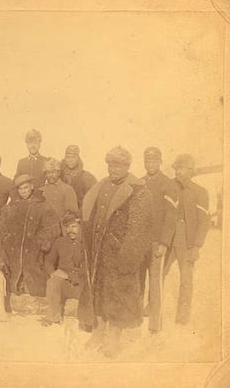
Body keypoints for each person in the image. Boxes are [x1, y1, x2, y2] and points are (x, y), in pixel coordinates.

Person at [78, 146, 152, 358]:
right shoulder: (101, 187)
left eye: (118, 165)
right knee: (98, 291)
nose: (114, 169)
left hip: (120, 254)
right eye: (111, 164)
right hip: (99, 253)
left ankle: (114, 336)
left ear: (127, 167)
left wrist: (128, 257)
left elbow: (139, 229)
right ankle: (99, 331)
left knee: (118, 295)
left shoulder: (138, 191)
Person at [163, 153, 210, 325]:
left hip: (188, 240)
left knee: (186, 278)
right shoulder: (169, 188)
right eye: (176, 169)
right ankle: (154, 308)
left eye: (181, 169)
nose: (178, 172)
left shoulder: (200, 192)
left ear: (190, 171)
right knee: (160, 273)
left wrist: (196, 246)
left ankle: (182, 317)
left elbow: (204, 222)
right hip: (168, 237)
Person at [0, 174, 60, 299]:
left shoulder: (42, 205)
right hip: (14, 248)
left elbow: (52, 226)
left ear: (32, 187)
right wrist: (7, 239)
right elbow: (2, 225)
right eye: (20, 189)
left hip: (34, 248)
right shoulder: (11, 207)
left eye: (26, 188)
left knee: (34, 274)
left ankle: (31, 290)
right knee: (12, 272)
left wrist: (41, 241)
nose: (23, 191)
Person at [140, 146, 178, 334]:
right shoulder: (140, 182)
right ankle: (136, 318)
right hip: (140, 243)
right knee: (138, 281)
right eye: (147, 161)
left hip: (157, 243)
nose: (150, 164)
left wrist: (164, 242)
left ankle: (155, 324)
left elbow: (171, 217)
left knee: (155, 283)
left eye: (154, 161)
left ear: (160, 162)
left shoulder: (168, 184)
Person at [41, 212, 84, 327]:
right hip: (65, 285)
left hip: (81, 285)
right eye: (68, 227)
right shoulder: (60, 242)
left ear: (80, 227)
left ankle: (86, 321)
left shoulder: (86, 243)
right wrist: (53, 272)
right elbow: (49, 261)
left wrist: (71, 277)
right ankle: (53, 317)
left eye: (74, 226)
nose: (71, 230)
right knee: (53, 281)